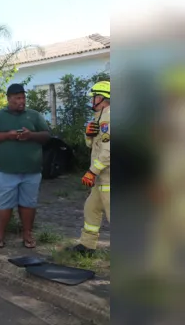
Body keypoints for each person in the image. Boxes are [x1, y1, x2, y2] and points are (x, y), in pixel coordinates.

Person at [0, 83, 51, 248]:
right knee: (4, 205)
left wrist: (31, 135)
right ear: (9, 99)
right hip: (5, 171)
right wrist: (8, 135)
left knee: (28, 204)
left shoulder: (34, 116)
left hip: (31, 171)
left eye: (23, 98)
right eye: (18, 98)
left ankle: (27, 235)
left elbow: (47, 136)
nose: (22, 101)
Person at [67, 80, 111, 256]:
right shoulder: (99, 118)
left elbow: (109, 152)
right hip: (101, 180)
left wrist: (92, 171)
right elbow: (93, 146)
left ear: (102, 97)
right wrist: (88, 135)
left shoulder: (108, 118)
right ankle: (87, 246)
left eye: (95, 97)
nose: (92, 100)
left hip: (109, 179)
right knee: (91, 209)